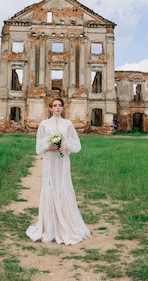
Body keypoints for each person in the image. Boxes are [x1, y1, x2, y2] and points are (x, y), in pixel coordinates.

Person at [25, 97, 91, 245]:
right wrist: (49, 146)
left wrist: (66, 146)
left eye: (60, 105)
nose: (57, 108)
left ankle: (65, 225)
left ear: (62, 108)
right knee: (49, 189)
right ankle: (49, 227)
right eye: (54, 105)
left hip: (63, 161)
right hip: (49, 161)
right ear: (50, 108)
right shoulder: (44, 124)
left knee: (62, 187)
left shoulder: (67, 124)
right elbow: (38, 146)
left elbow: (77, 144)